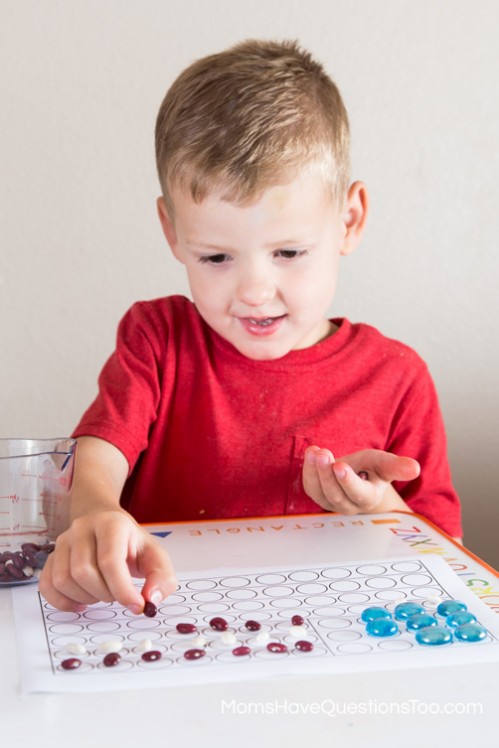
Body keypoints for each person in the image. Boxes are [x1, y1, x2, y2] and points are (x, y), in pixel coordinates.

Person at [39, 39, 462, 614]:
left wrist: (384, 512)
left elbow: (449, 560)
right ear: (172, 231)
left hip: (331, 645)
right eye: (216, 258)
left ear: (350, 221)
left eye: (288, 251)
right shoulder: (158, 339)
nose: (254, 292)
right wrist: (94, 510)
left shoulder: (398, 377)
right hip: (172, 630)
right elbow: (100, 451)